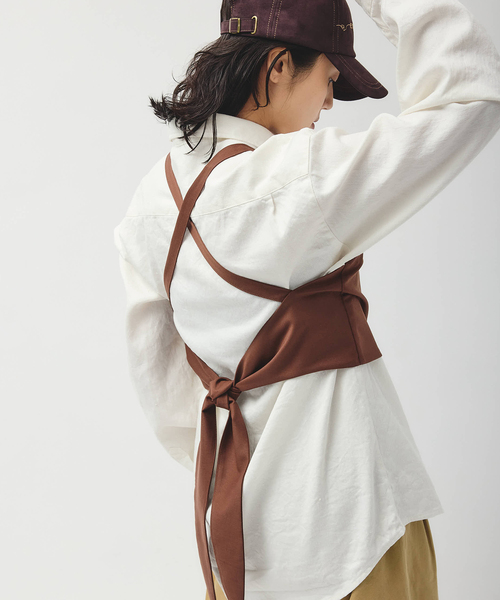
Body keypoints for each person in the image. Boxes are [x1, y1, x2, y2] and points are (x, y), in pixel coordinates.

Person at [113, 0, 500, 598]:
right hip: (356, 533)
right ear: (277, 68)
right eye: (330, 78)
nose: (329, 103)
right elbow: (470, 97)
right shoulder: (298, 180)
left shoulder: (148, 204)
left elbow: (165, 395)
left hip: (241, 547)